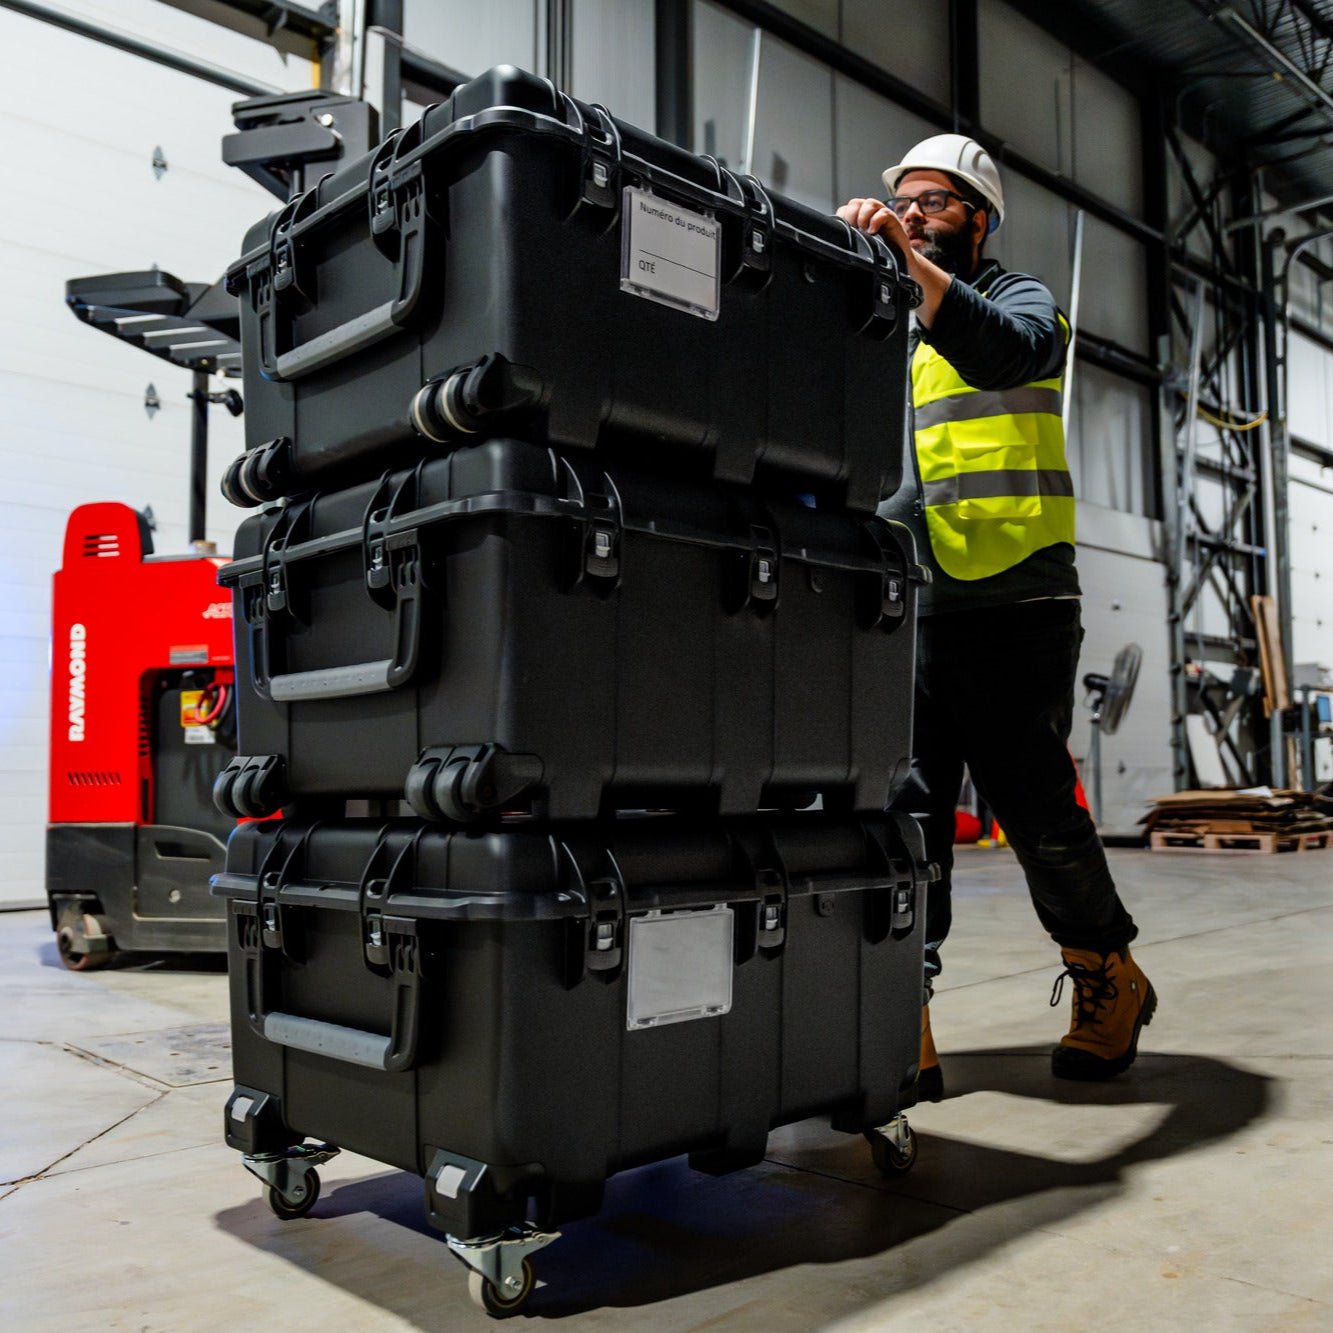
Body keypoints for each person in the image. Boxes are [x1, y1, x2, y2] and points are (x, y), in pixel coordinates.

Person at [836, 135, 1156, 1095]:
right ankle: (904, 1003)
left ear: (977, 217)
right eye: (903, 200)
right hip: (910, 602)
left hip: (1016, 597)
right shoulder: (880, 327)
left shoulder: (1021, 306)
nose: (914, 211)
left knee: (1033, 805)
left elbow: (1000, 349)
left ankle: (1109, 973)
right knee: (908, 812)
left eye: (934, 201)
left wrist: (908, 260)